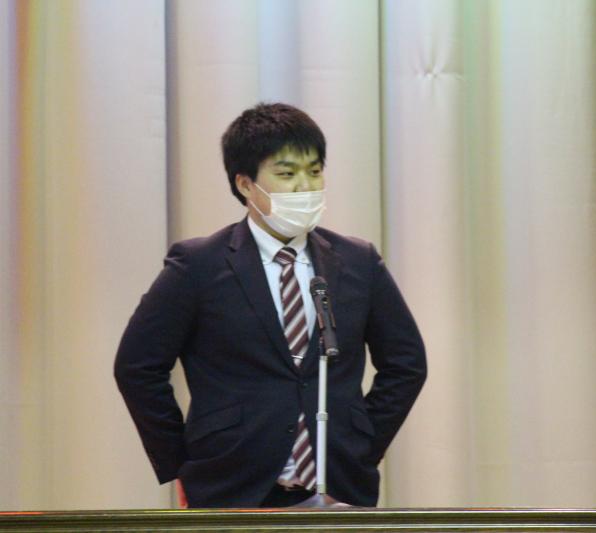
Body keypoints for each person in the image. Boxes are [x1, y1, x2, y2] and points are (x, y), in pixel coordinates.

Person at [114, 102, 426, 508]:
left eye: (314, 171)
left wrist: (363, 443)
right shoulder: (199, 265)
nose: (304, 186)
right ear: (246, 184)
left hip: (339, 483)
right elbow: (137, 366)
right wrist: (181, 461)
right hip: (230, 485)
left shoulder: (357, 261)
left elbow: (406, 363)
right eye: (287, 173)